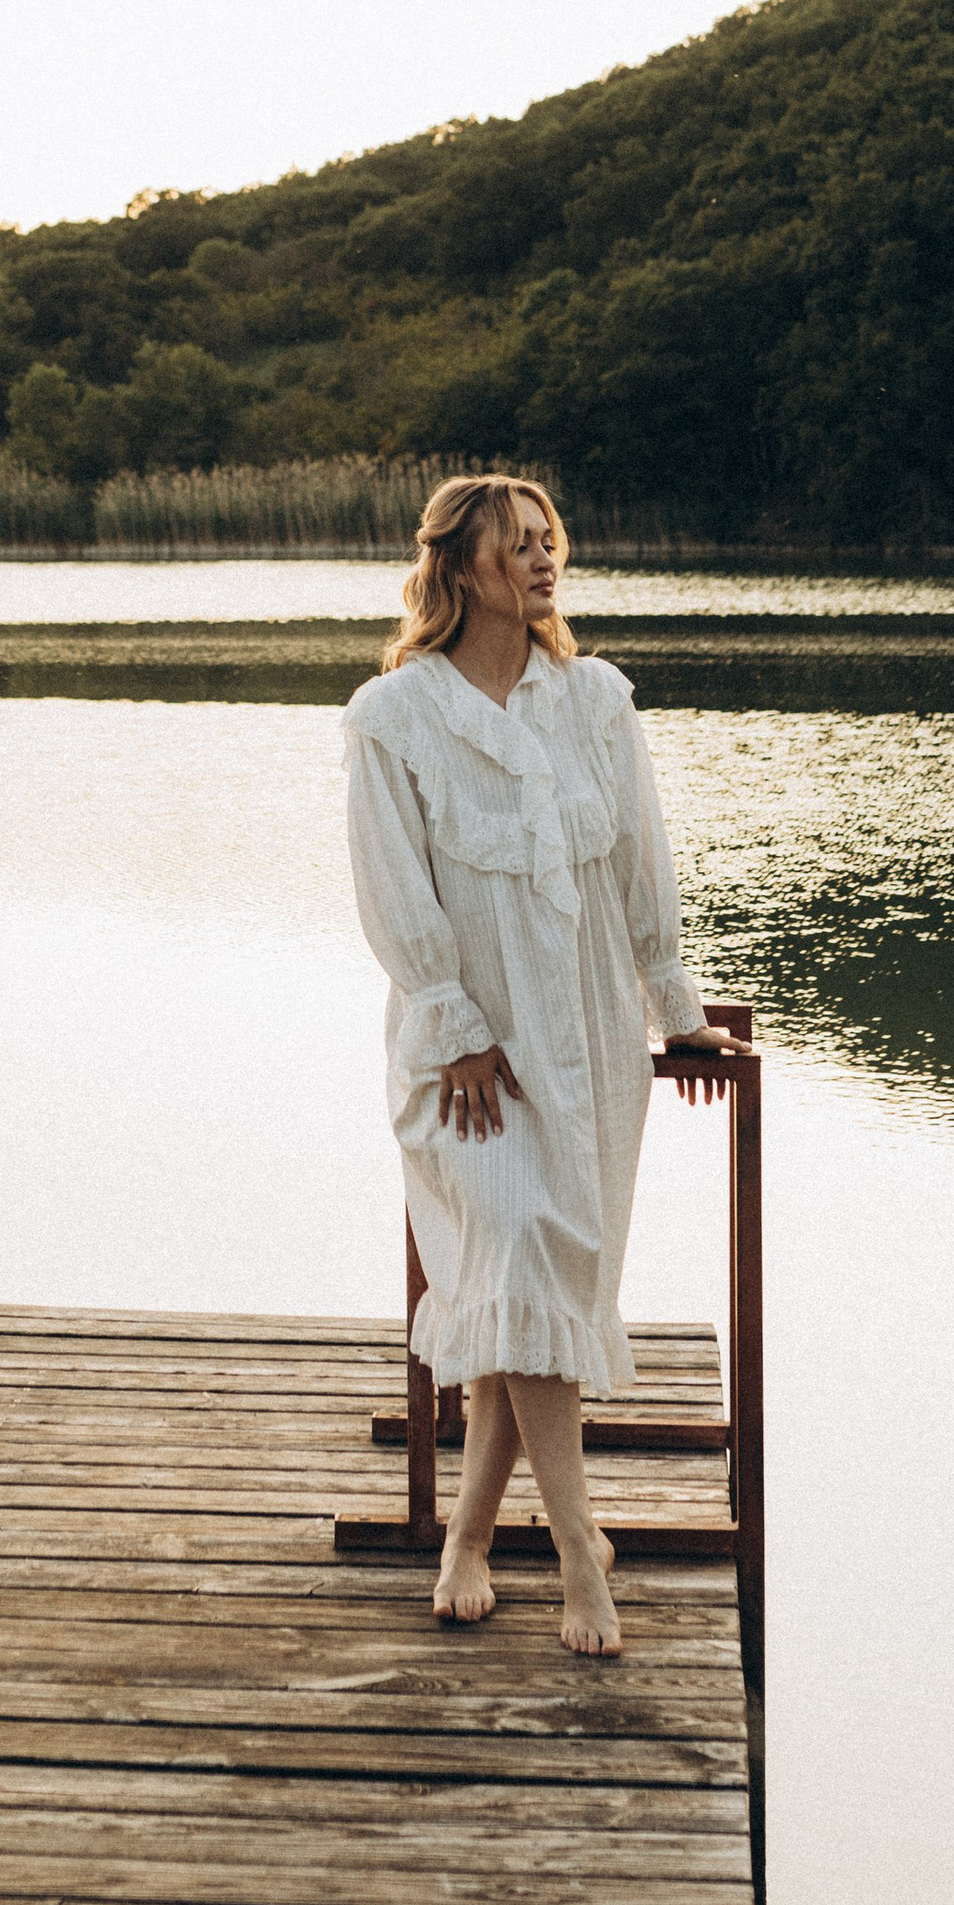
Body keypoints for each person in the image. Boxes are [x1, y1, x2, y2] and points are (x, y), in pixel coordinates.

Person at [343, 473, 737, 1654]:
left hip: (589, 1042)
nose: (540, 562)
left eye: (547, 541)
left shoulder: (597, 701)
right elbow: (390, 888)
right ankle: (579, 1547)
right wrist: (457, 1024)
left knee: (535, 1307)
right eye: (515, 547)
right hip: (466, 1053)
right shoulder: (391, 716)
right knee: (511, 1255)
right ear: (459, 569)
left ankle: (469, 1532)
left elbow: (639, 870)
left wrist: (675, 1006)